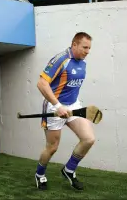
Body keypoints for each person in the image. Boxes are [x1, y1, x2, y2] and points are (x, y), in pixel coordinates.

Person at [35, 32, 95, 191]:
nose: (87, 51)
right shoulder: (62, 59)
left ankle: (69, 170)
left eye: (89, 48)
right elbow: (41, 83)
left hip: (73, 105)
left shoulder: (83, 63)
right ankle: (40, 174)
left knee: (88, 139)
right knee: (52, 147)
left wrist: (70, 106)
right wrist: (57, 106)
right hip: (54, 106)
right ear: (74, 44)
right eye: (84, 47)